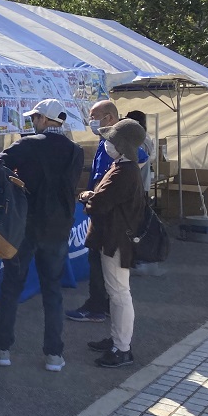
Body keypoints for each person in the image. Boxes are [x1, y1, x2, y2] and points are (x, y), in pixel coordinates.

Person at [0, 99, 84, 373]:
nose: (32, 122)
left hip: (25, 224)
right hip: (59, 226)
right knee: (52, 290)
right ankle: (54, 354)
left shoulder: (27, 144)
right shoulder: (75, 151)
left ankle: (3, 348)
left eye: (34, 118)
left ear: (43, 119)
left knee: (11, 287)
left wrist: (16, 182)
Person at [66, 100, 149, 323]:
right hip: (105, 217)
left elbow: (139, 157)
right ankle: (104, 311)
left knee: (117, 287)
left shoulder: (123, 156)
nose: (90, 121)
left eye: (94, 116)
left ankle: (102, 314)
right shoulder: (108, 147)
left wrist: (92, 196)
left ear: (109, 117)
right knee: (111, 280)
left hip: (112, 223)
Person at [78, 119, 146, 368]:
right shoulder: (124, 167)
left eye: (111, 140)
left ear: (122, 144)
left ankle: (122, 348)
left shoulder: (123, 171)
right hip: (115, 238)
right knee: (117, 293)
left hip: (116, 240)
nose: (107, 144)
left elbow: (99, 203)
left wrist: (87, 197)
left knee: (119, 294)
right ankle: (118, 339)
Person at [125, 110, 156, 196]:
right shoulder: (143, 136)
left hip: (138, 182)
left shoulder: (140, 137)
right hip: (140, 181)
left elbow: (138, 158)